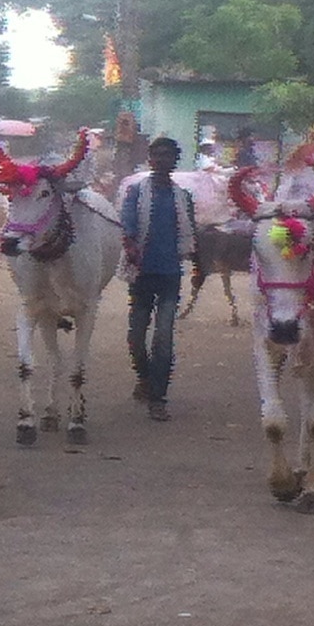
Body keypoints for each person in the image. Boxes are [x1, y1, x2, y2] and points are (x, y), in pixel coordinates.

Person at [120, 136, 201, 423]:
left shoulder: (183, 198)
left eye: (167, 155)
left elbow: (191, 233)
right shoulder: (135, 193)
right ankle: (144, 377)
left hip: (170, 276)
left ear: (175, 161)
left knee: (164, 339)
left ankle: (158, 397)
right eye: (157, 154)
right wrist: (130, 246)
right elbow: (127, 226)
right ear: (150, 159)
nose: (162, 159)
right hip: (141, 274)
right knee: (136, 338)